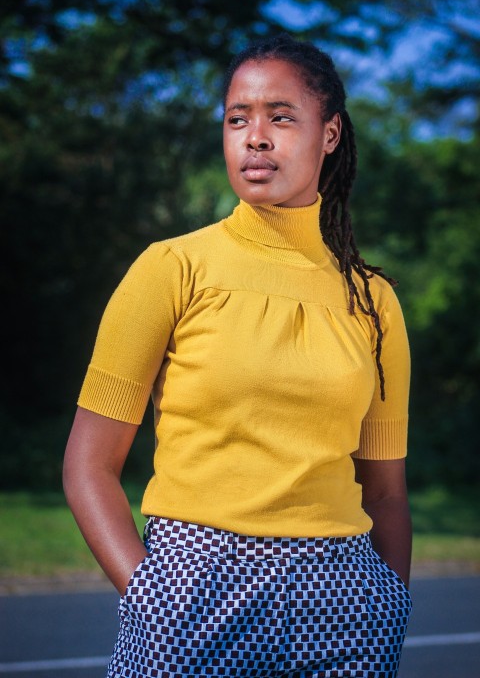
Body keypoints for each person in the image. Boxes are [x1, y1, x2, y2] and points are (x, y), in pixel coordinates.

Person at [63, 33, 412, 678]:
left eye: (281, 117)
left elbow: (386, 491)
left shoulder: (373, 301)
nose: (255, 137)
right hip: (191, 593)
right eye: (237, 118)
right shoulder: (171, 269)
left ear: (329, 134)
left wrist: (388, 605)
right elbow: (89, 465)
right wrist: (152, 600)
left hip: (344, 603)